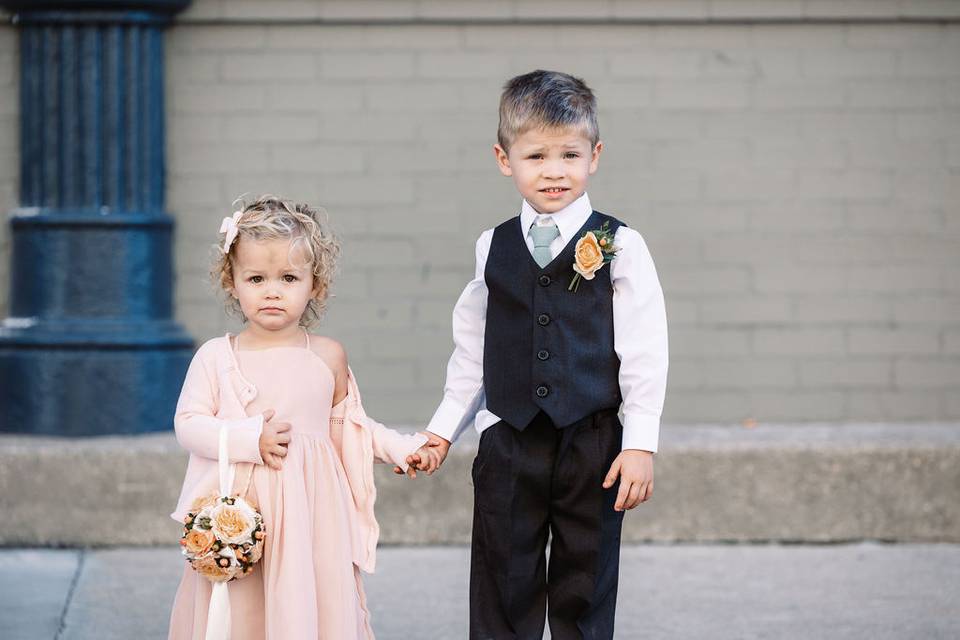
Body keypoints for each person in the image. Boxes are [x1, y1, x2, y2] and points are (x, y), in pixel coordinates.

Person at [423, 70, 670, 639]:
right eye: (535, 155)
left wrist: (639, 444)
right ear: (504, 158)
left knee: (584, 582)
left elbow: (644, 349)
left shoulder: (619, 245)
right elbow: (473, 348)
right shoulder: (494, 245)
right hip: (509, 437)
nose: (554, 170)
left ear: (595, 155)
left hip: (592, 440)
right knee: (502, 579)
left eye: (569, 154)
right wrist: (445, 428)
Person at [167, 195, 440, 639]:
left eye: (289, 278)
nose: (272, 290)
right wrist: (248, 437)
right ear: (232, 282)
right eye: (256, 278)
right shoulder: (216, 357)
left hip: (311, 512)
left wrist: (404, 447)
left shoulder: (327, 356)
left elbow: (350, 428)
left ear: (315, 285)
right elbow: (189, 424)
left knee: (305, 604)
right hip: (244, 513)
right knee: (244, 610)